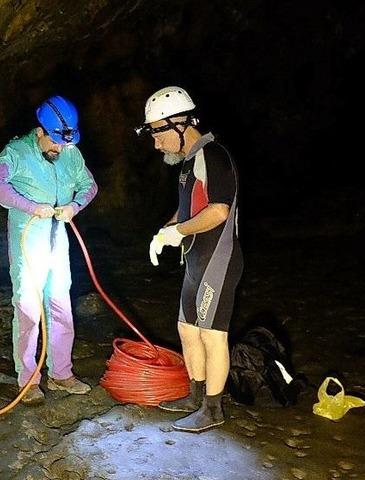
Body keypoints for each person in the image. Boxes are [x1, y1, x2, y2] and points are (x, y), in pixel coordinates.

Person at [137, 86, 243, 432]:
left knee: (213, 334)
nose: (156, 144)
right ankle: (195, 396)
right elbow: (187, 208)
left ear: (178, 124)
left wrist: (179, 232)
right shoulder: (189, 163)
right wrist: (166, 231)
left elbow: (218, 211)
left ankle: (213, 410)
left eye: (157, 133)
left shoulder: (213, 155)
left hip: (218, 258)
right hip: (196, 260)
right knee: (187, 328)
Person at [0, 95, 98, 405]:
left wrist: (74, 206)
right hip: (28, 241)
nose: (59, 148)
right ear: (40, 130)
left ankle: (61, 374)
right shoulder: (17, 152)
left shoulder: (71, 153)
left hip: (57, 239)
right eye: (55, 141)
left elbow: (90, 185)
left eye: (65, 142)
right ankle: (28, 380)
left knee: (60, 305)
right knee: (28, 309)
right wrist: (32, 207)